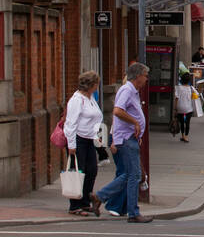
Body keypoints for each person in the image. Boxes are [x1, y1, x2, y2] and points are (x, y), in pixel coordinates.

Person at [95, 62, 153, 223]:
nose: (147, 79)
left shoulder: (133, 92)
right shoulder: (127, 90)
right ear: (138, 76)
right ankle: (133, 212)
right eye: (145, 75)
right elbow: (117, 111)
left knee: (129, 175)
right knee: (134, 175)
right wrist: (135, 123)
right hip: (126, 139)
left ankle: (100, 196)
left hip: (130, 138)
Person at [63, 70, 104, 216]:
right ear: (91, 85)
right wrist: (71, 145)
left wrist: (98, 136)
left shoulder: (91, 98)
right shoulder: (77, 100)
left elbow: (96, 118)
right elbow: (70, 124)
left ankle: (85, 201)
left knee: (92, 170)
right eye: (96, 84)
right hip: (78, 140)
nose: (97, 87)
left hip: (89, 140)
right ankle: (75, 205)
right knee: (78, 172)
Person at [173, 72, 195, 143]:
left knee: (182, 122)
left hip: (180, 108)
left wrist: (175, 108)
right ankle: (186, 136)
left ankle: (182, 135)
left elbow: (176, 98)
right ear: (189, 80)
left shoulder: (178, 88)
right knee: (187, 123)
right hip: (188, 108)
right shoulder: (191, 88)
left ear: (181, 80)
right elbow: (196, 96)